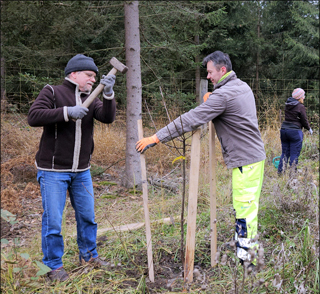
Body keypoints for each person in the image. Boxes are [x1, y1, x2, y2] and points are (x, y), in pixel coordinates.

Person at [136, 51, 266, 267]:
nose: (208, 77)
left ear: (222, 70)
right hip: (254, 157)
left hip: (246, 161)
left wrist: (157, 137)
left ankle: (247, 262)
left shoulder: (224, 96)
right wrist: (213, 97)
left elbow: (192, 118)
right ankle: (245, 250)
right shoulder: (241, 85)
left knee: (244, 209)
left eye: (210, 72)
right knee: (248, 207)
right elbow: (225, 104)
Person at [28, 54, 117, 282]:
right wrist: (67, 112)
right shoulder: (53, 92)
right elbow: (34, 116)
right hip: (53, 171)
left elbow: (107, 117)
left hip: (82, 171)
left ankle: (89, 257)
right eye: (89, 75)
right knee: (54, 222)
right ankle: (53, 267)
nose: (92, 80)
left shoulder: (92, 96)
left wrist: (107, 94)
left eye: (95, 77)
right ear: (73, 74)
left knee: (88, 217)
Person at [277, 88, 312, 174]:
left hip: (284, 130)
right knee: (294, 153)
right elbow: (304, 120)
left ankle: (281, 172)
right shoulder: (300, 106)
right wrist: (309, 128)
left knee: (284, 153)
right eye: (303, 96)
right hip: (295, 132)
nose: (304, 97)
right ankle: (292, 174)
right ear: (299, 97)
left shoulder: (287, 104)